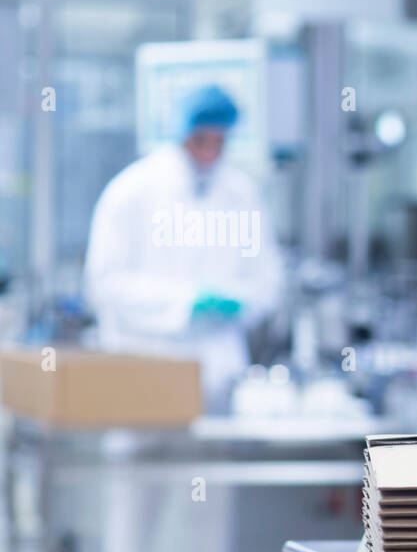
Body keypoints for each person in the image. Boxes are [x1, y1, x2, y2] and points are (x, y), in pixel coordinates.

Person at [84, 84, 285, 410]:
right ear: (180, 133)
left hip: (220, 371)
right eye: (200, 140)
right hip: (146, 363)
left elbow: (268, 279)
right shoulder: (131, 191)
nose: (210, 151)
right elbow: (104, 283)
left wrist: (239, 301)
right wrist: (184, 300)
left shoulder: (241, 194)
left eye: (219, 141)